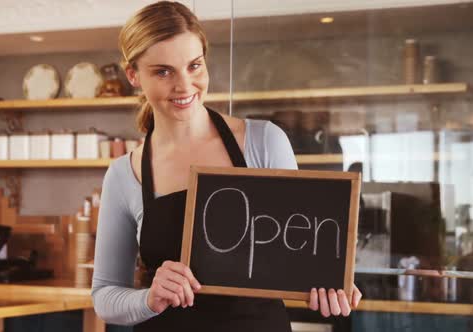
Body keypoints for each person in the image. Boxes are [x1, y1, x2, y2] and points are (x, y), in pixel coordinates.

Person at [91, 2, 362, 331]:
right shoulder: (124, 174)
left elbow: (304, 258)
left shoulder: (263, 142)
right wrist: (149, 298)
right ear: (133, 75)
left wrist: (331, 286)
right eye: (163, 71)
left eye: (194, 66)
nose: (184, 85)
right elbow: (105, 296)